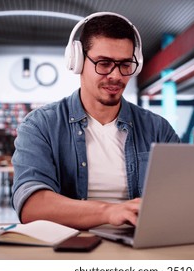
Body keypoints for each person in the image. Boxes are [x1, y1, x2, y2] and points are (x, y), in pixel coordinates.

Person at [11, 12, 180, 230]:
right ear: (78, 61)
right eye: (104, 63)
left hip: (138, 246)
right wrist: (109, 212)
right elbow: (31, 206)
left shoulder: (157, 128)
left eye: (125, 64)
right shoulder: (40, 125)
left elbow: (184, 195)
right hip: (70, 248)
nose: (116, 75)